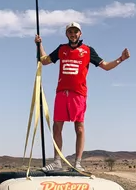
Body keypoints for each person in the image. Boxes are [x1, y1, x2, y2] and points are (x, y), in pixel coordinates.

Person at [35, 22, 130, 172]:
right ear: (67, 34)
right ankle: (57, 162)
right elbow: (45, 60)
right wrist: (39, 45)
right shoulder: (62, 49)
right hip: (61, 93)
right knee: (57, 126)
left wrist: (121, 59)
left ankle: (77, 163)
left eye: (76, 32)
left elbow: (105, 66)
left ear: (80, 34)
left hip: (78, 94)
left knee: (79, 128)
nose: (73, 34)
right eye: (70, 32)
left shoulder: (87, 50)